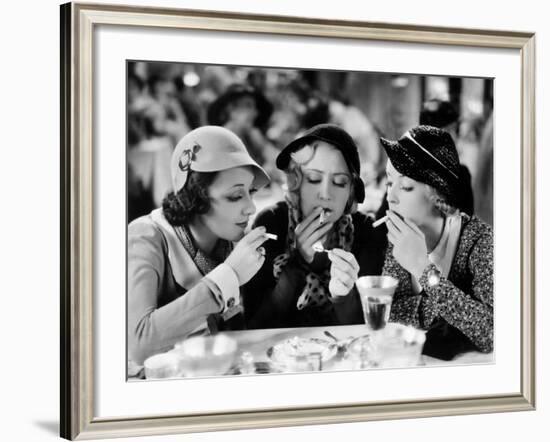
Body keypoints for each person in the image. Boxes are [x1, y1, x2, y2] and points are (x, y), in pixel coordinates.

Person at [128, 126, 271, 365]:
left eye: (251, 192)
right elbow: (139, 345)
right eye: (235, 196)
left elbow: (249, 331)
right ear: (195, 197)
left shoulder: (232, 241)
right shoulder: (146, 237)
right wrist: (229, 276)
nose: (251, 208)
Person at [244, 124, 387, 329]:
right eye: (313, 179)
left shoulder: (366, 231)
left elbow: (367, 331)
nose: (325, 193)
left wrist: (342, 296)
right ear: (296, 184)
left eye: (339, 182)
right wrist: (297, 262)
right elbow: (255, 326)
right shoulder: (271, 224)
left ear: (350, 193)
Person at [379, 125, 493, 360]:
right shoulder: (401, 237)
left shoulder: (480, 241)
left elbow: (492, 332)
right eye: (390, 183)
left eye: (406, 186)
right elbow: (389, 315)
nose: (391, 197)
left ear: (437, 195)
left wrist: (423, 270)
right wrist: (448, 311)